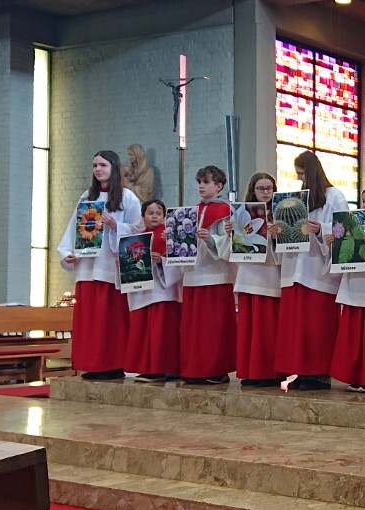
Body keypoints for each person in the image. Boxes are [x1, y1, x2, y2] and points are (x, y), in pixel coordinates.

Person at [57, 150, 143, 380]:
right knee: (90, 321)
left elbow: (139, 231)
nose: (98, 169)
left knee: (111, 321)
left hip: (111, 268)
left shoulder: (127, 198)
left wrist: (116, 226)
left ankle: (114, 364)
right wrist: (68, 253)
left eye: (103, 165)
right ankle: (92, 364)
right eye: (95, 165)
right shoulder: (87, 197)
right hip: (87, 268)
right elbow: (73, 228)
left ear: (114, 168)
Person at [276, 151, 346, 391]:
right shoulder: (297, 199)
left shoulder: (335, 196)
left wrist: (321, 229)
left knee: (317, 327)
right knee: (298, 328)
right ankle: (302, 371)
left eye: (302, 174)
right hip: (295, 269)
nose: (299, 179)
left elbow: (344, 232)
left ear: (312, 172)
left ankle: (320, 374)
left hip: (318, 271)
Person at [327, 185, 365, 392]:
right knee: (352, 335)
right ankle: (352, 375)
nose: (364, 205)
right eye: (363, 201)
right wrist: (333, 245)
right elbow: (342, 257)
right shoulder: (350, 224)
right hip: (353, 284)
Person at [227, 173, 286, 387]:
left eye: (269, 188)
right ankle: (249, 372)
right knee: (247, 329)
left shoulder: (281, 213)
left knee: (267, 328)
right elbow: (233, 249)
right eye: (261, 188)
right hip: (248, 274)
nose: (265, 192)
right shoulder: (241, 212)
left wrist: (277, 236)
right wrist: (230, 233)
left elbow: (291, 248)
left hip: (270, 275)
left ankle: (270, 373)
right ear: (253, 190)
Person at [180, 165, 236, 384]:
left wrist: (211, 240)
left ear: (219, 186)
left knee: (213, 327)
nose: (201, 186)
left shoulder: (226, 210)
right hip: (192, 274)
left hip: (216, 275)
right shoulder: (191, 211)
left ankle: (215, 370)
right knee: (193, 328)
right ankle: (194, 369)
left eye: (206, 182)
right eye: (199, 182)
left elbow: (231, 242)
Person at [126, 199, 181, 382]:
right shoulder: (135, 240)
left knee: (161, 332)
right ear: (143, 217)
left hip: (163, 291)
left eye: (158, 213)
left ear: (164, 216)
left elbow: (179, 262)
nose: (154, 216)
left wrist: (162, 261)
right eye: (150, 213)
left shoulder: (169, 236)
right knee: (142, 331)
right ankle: (146, 368)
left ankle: (163, 368)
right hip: (142, 292)